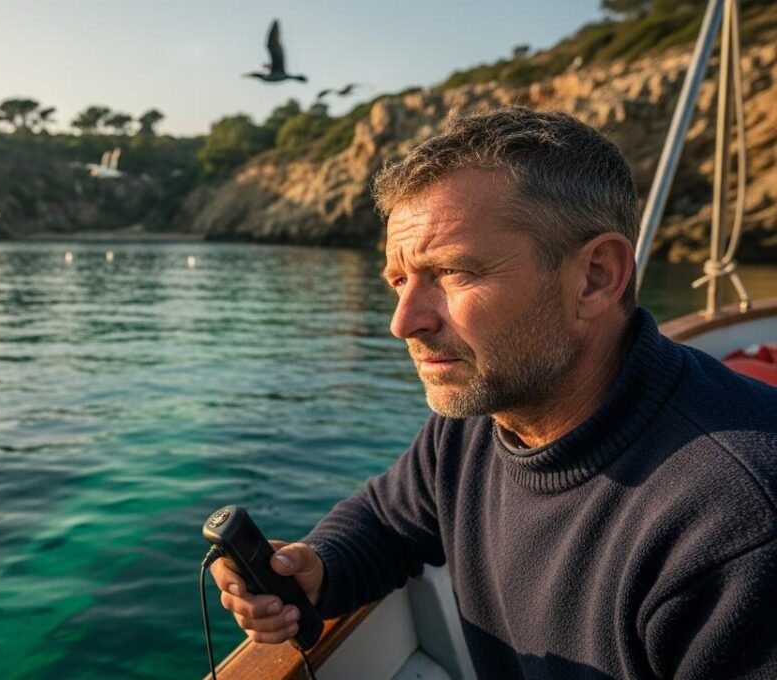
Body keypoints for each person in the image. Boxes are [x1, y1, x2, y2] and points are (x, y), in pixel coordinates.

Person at [210, 107, 777, 679]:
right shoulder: (480, 419)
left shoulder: (738, 526)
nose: (404, 323)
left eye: (453, 273)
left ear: (596, 277)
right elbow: (387, 520)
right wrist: (319, 568)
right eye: (399, 282)